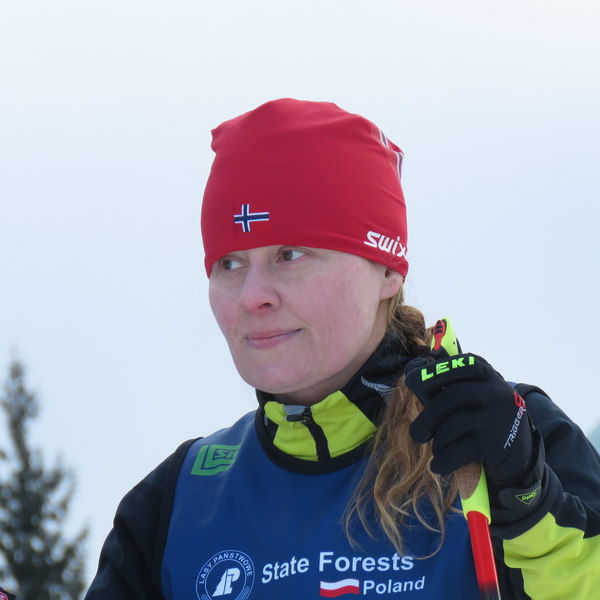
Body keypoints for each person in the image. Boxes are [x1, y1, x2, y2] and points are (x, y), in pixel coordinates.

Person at [85, 99, 600, 600]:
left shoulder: (505, 438)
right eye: (229, 263)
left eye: (290, 254)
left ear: (387, 269)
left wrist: (529, 500)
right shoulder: (180, 501)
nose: (252, 296)